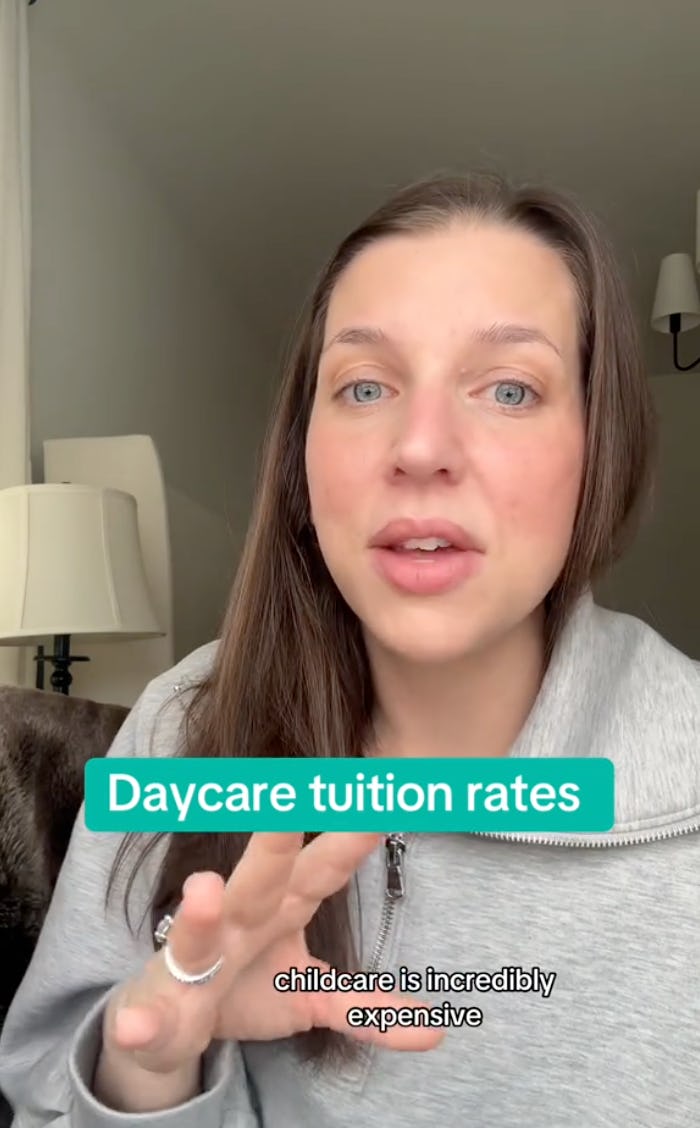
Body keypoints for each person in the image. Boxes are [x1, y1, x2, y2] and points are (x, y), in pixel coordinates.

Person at [0, 171, 698, 1128]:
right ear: (301, 458)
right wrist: (150, 1075)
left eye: (508, 388)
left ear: (598, 449)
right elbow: (46, 1096)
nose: (420, 447)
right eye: (364, 385)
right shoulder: (186, 726)